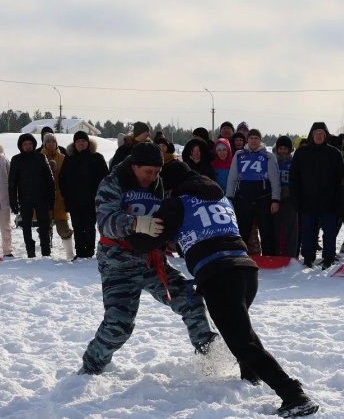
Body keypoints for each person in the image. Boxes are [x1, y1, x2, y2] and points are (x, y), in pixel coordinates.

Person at [125, 161, 319, 418]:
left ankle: (294, 394)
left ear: (171, 187)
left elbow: (143, 242)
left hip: (219, 275)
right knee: (243, 334)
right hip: (246, 270)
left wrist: (129, 225)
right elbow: (206, 229)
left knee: (242, 341)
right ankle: (250, 379)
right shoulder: (217, 195)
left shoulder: (177, 202)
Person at [79, 143, 217, 375]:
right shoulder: (112, 183)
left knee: (191, 301)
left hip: (152, 261)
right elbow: (105, 223)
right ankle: (90, 369)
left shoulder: (156, 184)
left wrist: (169, 239)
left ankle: (210, 359)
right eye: (148, 172)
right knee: (119, 327)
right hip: (118, 264)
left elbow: (161, 218)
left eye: (157, 173)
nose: (153, 178)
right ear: (134, 166)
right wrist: (135, 223)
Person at [291, 122, 344, 268]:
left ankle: (329, 258)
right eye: (316, 134)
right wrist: (296, 199)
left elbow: (341, 180)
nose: (319, 136)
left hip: (329, 201)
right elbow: (294, 178)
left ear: (326, 136)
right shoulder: (301, 153)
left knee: (329, 232)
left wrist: (340, 201)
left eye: (321, 134)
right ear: (311, 135)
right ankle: (308, 258)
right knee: (308, 231)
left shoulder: (334, 153)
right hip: (307, 201)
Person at [226, 129, 281, 256]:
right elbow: (232, 177)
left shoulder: (268, 156)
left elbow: (275, 180)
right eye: (251, 138)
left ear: (260, 140)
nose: (253, 141)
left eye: (256, 138)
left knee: (266, 231)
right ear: (247, 140)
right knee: (242, 230)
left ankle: (269, 257)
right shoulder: (239, 155)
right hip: (243, 198)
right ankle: (240, 256)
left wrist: (275, 200)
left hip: (263, 198)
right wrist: (229, 197)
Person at [60, 131, 110, 259]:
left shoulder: (97, 157)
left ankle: (89, 251)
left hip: (92, 200)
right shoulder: (69, 158)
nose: (80, 144)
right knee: (77, 226)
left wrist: (101, 196)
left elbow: (105, 178)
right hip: (74, 201)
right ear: (74, 144)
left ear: (88, 143)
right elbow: (63, 179)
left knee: (89, 226)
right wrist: (66, 195)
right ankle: (80, 251)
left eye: (83, 141)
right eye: (78, 141)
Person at [9, 133, 55, 258]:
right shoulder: (16, 160)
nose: (28, 146)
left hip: (42, 198)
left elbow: (50, 180)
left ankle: (46, 251)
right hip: (25, 199)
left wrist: (52, 200)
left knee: (44, 226)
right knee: (26, 227)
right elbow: (12, 183)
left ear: (34, 144)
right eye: (25, 144)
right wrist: (13, 202)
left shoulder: (41, 157)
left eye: (30, 144)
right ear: (21, 146)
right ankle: (30, 250)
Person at [42, 133, 74, 260]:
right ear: (44, 143)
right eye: (48, 141)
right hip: (45, 198)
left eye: (53, 141)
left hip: (60, 198)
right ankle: (46, 253)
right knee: (45, 228)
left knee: (63, 227)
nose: (51, 143)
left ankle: (70, 254)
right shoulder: (40, 157)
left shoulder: (63, 158)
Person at [273, 136, 299, 257]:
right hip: (276, 198)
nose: (283, 151)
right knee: (275, 227)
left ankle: (291, 254)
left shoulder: (293, 162)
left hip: (290, 197)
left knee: (291, 228)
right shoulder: (273, 162)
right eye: (281, 148)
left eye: (285, 149)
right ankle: (276, 252)